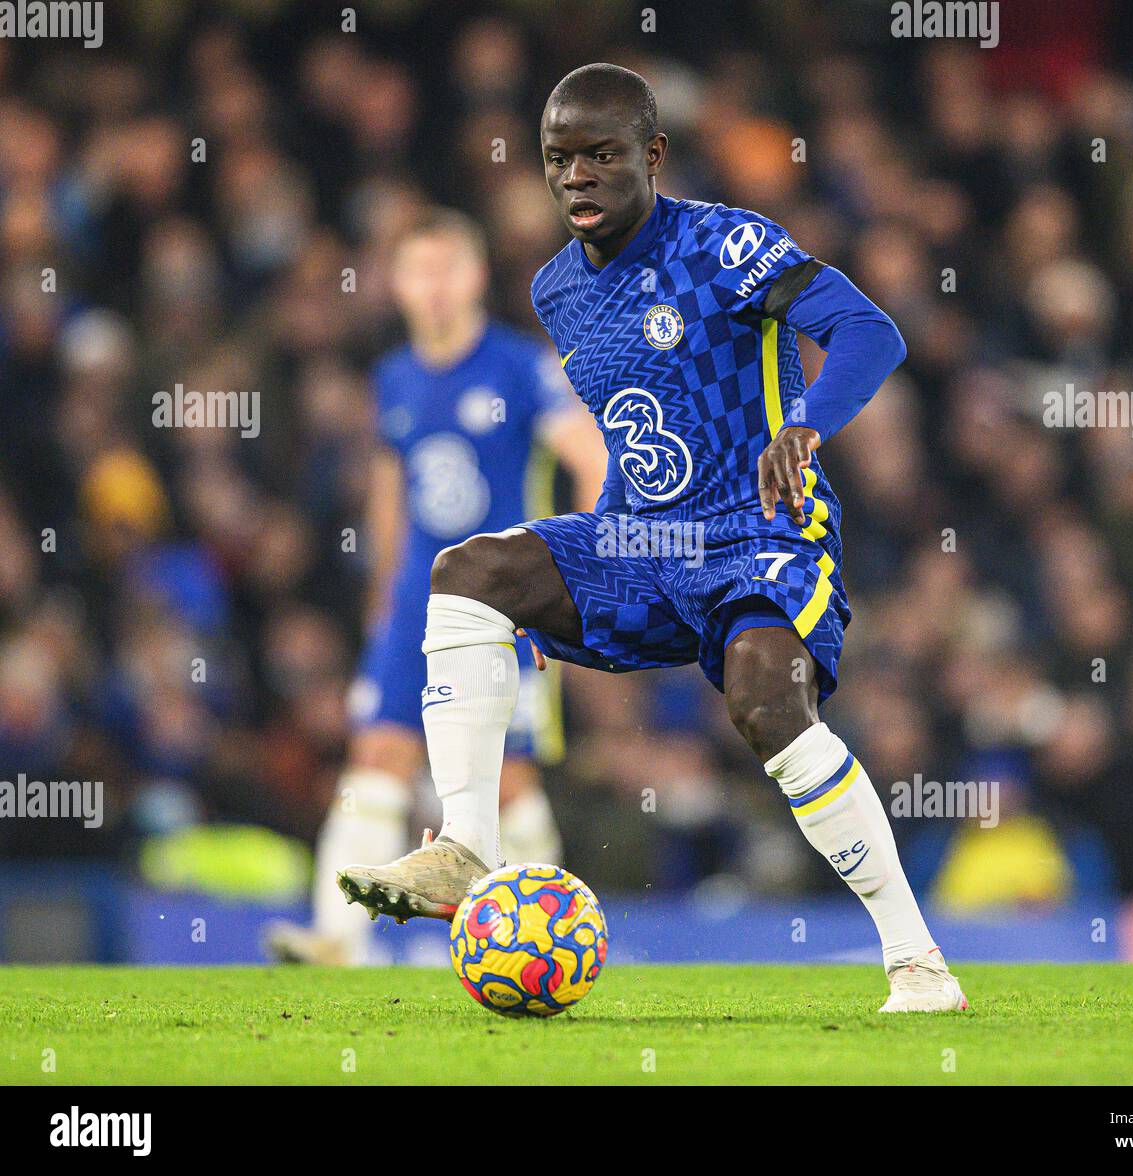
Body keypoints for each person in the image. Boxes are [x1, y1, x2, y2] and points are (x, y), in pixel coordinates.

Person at [337, 67, 966, 1011]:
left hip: (760, 531)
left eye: (602, 155)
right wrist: (544, 614)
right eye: (560, 160)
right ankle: (466, 849)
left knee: (766, 700)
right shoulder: (556, 291)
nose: (578, 177)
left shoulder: (729, 244)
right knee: (468, 575)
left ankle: (917, 962)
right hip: (639, 544)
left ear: (653, 156)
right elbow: (632, 430)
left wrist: (806, 427)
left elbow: (867, 330)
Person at [267, 209, 604, 964]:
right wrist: (386, 591)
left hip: (506, 605)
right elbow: (392, 485)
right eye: (419, 271)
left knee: (508, 776)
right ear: (397, 284)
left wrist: (577, 577)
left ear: (477, 276)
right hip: (417, 609)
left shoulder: (522, 366)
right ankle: (336, 935)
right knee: (377, 753)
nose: (435, 288)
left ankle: (554, 932)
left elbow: (590, 458)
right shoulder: (393, 376)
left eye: (449, 269)